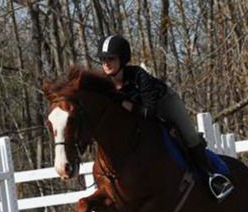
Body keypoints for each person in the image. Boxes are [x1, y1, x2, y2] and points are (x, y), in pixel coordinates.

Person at [98, 34, 234, 201]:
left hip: (164, 103)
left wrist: (127, 105)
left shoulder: (139, 76)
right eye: (103, 59)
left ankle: (213, 178)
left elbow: (151, 112)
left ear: (122, 59)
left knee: (190, 138)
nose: (106, 63)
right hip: (140, 117)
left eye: (110, 58)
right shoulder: (104, 85)